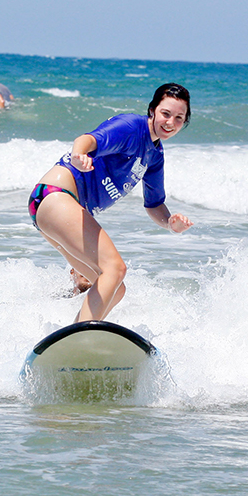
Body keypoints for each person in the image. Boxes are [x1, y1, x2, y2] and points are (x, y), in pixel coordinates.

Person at [28, 82, 194, 322]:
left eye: (179, 118)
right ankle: (79, 339)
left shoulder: (154, 155)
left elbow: (154, 205)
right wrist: (78, 155)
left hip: (53, 207)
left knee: (115, 288)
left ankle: (70, 337)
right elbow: (88, 140)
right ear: (152, 110)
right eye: (166, 114)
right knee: (115, 269)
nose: (170, 122)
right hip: (55, 195)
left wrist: (169, 222)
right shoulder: (131, 127)